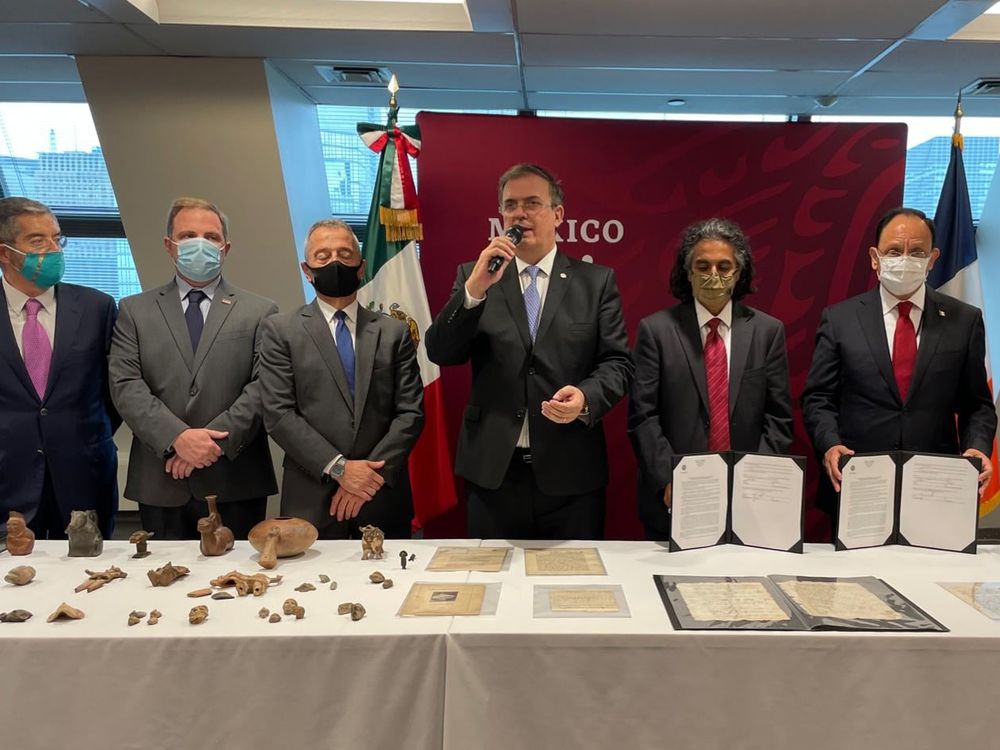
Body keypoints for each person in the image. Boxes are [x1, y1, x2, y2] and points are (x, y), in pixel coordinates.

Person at [425, 163, 633, 540]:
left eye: (532, 203)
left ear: (557, 215)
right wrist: (474, 291)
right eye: (511, 205)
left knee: (572, 591)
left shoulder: (596, 282)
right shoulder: (476, 275)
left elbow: (617, 364)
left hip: (571, 475)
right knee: (494, 589)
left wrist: (586, 397)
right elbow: (441, 351)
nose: (520, 213)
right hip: (493, 475)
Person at [802, 207, 997, 517]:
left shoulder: (964, 320)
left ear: (932, 259)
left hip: (936, 485)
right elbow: (818, 398)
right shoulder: (839, 319)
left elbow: (978, 405)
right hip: (858, 480)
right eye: (894, 250)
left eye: (917, 251)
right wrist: (829, 444)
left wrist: (977, 446)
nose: (905, 259)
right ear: (874, 257)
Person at [109, 197, 277, 539]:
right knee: (162, 587)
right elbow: (126, 386)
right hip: (161, 479)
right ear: (169, 246)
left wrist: (209, 444)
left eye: (211, 237)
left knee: (242, 586)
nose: (200, 244)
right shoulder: (133, 311)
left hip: (235, 480)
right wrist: (177, 438)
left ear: (225, 248)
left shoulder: (260, 311)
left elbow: (264, 386)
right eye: (187, 236)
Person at [628, 218, 794, 540]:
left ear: (739, 272)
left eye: (724, 266)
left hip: (750, 501)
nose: (713, 275)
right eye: (702, 266)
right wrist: (668, 479)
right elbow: (643, 417)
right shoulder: (656, 330)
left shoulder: (768, 332)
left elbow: (778, 417)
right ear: (687, 272)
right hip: (674, 497)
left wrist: (757, 479)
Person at [259, 219, 424, 539]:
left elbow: (410, 412)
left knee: (390, 586)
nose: (335, 261)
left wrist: (366, 478)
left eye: (344, 254)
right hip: (311, 495)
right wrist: (340, 470)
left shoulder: (394, 332)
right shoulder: (280, 331)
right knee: (310, 588)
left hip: (381, 492)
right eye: (323, 256)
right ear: (307, 270)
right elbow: (279, 414)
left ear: (361, 267)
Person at [0, 197, 120, 538]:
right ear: (4, 253)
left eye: (57, 238)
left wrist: (83, 436)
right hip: (9, 482)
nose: (53, 249)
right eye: (38, 241)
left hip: (85, 474)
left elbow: (116, 391)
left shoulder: (97, 308)